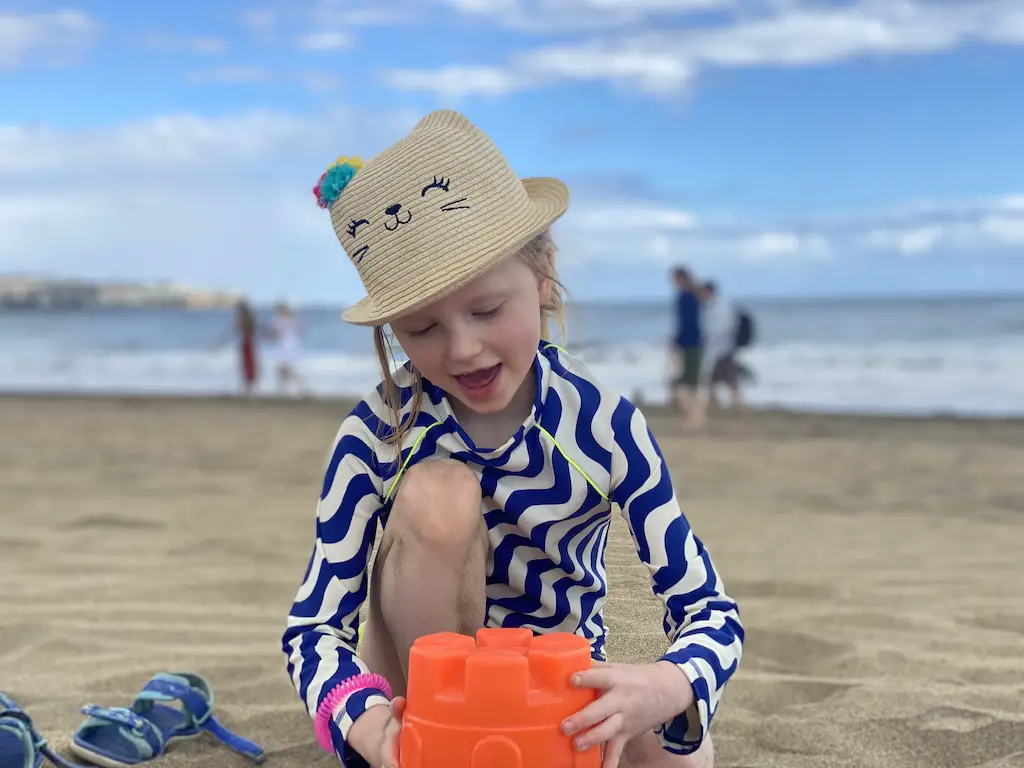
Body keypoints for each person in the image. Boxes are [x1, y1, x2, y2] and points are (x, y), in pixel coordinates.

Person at [281, 111, 743, 768]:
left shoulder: (601, 425)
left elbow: (709, 610)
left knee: (685, 757)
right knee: (440, 493)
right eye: (420, 328)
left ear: (544, 276)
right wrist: (367, 722)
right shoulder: (376, 435)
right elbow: (312, 630)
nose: (463, 349)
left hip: (554, 694)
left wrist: (665, 685)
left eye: (487, 310)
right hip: (422, 703)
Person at [698, 281, 746, 421]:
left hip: (724, 351)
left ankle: (740, 410)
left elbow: (724, 328)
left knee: (729, 383)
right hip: (717, 352)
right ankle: (708, 414)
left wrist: (708, 336)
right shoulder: (711, 307)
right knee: (715, 384)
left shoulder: (721, 306)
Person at [668, 267, 705, 431]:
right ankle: (695, 417)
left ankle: (695, 417)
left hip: (689, 345)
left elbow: (686, 323)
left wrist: (676, 341)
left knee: (683, 384)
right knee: (690, 383)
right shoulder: (695, 296)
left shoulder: (686, 297)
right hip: (696, 343)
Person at [270, 301, 312, 397]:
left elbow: (277, 333)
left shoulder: (283, 320)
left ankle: (300, 388)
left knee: (286, 371)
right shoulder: (286, 320)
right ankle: (284, 389)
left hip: (288, 348)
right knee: (285, 371)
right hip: (286, 347)